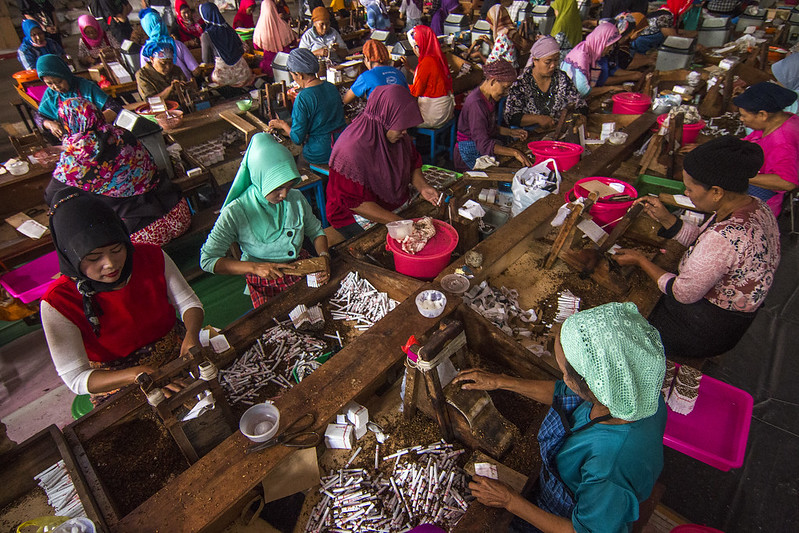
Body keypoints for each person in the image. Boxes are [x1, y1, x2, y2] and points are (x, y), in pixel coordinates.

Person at [456, 302, 666, 533]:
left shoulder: (609, 467)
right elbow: (562, 393)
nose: (563, 379)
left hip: (570, 515)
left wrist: (509, 500)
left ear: (592, 385)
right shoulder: (633, 390)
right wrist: (500, 382)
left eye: (565, 373)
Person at [615, 136, 781, 359]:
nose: (685, 194)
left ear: (716, 192)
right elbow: (708, 244)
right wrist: (667, 220)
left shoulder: (723, 238)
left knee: (625, 325)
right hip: (731, 321)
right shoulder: (756, 206)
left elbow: (682, 293)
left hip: (703, 330)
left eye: (690, 190)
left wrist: (640, 260)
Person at [41, 189, 203, 405]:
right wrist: (139, 375)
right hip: (118, 381)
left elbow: (188, 303)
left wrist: (191, 334)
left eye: (117, 249)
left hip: (177, 354)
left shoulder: (150, 255)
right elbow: (76, 378)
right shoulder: (58, 301)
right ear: (70, 256)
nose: (110, 264)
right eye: (94, 258)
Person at [200, 134, 330, 308]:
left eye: (289, 186)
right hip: (263, 278)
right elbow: (208, 260)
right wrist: (254, 268)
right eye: (277, 188)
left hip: (299, 266)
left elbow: (316, 231)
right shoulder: (235, 212)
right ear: (260, 179)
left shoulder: (295, 198)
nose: (284, 194)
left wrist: (324, 257)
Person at [44, 98, 191, 246]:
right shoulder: (122, 134)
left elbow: (51, 196)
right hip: (179, 214)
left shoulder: (77, 155)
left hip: (143, 234)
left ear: (67, 123)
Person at [326, 84, 440, 238]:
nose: (405, 132)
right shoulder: (349, 152)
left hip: (393, 202)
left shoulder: (399, 137)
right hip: (352, 214)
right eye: (401, 127)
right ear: (384, 120)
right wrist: (400, 222)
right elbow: (354, 202)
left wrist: (423, 187)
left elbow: (413, 163)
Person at [268, 48, 346, 167]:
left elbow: (297, 138)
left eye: (293, 75)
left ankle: (311, 184)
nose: (293, 78)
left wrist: (283, 125)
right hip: (342, 144)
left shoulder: (303, 98)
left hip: (321, 152)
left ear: (299, 74)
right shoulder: (331, 87)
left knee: (299, 165)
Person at [734, 82, 799, 218]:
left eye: (744, 116)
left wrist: (742, 176)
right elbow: (752, 140)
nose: (741, 119)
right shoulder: (783, 118)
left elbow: (787, 183)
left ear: (763, 115)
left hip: (770, 198)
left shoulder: (782, 142)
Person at [454, 60, 532, 170]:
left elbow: (487, 127)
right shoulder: (476, 104)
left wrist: (510, 132)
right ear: (493, 81)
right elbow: (483, 144)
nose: (506, 92)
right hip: (468, 155)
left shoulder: (488, 98)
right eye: (505, 87)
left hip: (478, 148)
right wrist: (514, 152)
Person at [504, 37, 588, 130]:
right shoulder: (521, 84)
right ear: (535, 61)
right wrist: (538, 119)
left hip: (557, 132)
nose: (553, 65)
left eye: (556, 60)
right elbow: (511, 116)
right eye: (548, 62)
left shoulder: (562, 79)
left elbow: (580, 104)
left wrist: (581, 117)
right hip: (529, 135)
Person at [35, 55, 121, 140]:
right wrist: (49, 124)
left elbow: (115, 108)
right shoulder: (50, 94)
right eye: (49, 84)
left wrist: (93, 123)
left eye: (59, 81)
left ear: (65, 75)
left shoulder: (87, 87)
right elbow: (39, 117)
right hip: (71, 141)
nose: (56, 87)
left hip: (97, 138)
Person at [407, 25, 455, 129]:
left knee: (402, 117)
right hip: (446, 111)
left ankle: (416, 142)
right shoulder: (438, 57)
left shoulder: (426, 62)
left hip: (433, 116)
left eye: (415, 46)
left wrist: (402, 86)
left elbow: (417, 91)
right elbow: (431, 79)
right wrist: (411, 70)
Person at [199, 2, 253, 87]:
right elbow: (241, 49)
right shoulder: (229, 29)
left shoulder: (206, 35)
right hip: (243, 73)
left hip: (223, 78)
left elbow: (206, 60)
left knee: (207, 78)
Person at [561, 22, 621, 97]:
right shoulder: (581, 55)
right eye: (610, 45)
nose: (611, 49)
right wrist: (611, 88)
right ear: (602, 41)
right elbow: (583, 91)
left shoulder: (591, 52)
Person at [342, 40, 408, 104]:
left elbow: (346, 100)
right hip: (403, 112)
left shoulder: (366, 76)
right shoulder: (398, 73)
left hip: (382, 114)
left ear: (367, 58)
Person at [140, 9, 200, 81]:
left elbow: (147, 76)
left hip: (162, 89)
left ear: (145, 27)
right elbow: (196, 70)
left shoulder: (145, 51)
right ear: (162, 23)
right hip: (185, 85)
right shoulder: (178, 44)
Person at [254, 0, 297, 77]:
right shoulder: (284, 26)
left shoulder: (259, 29)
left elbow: (256, 47)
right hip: (286, 64)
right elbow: (293, 42)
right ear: (274, 9)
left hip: (269, 67)